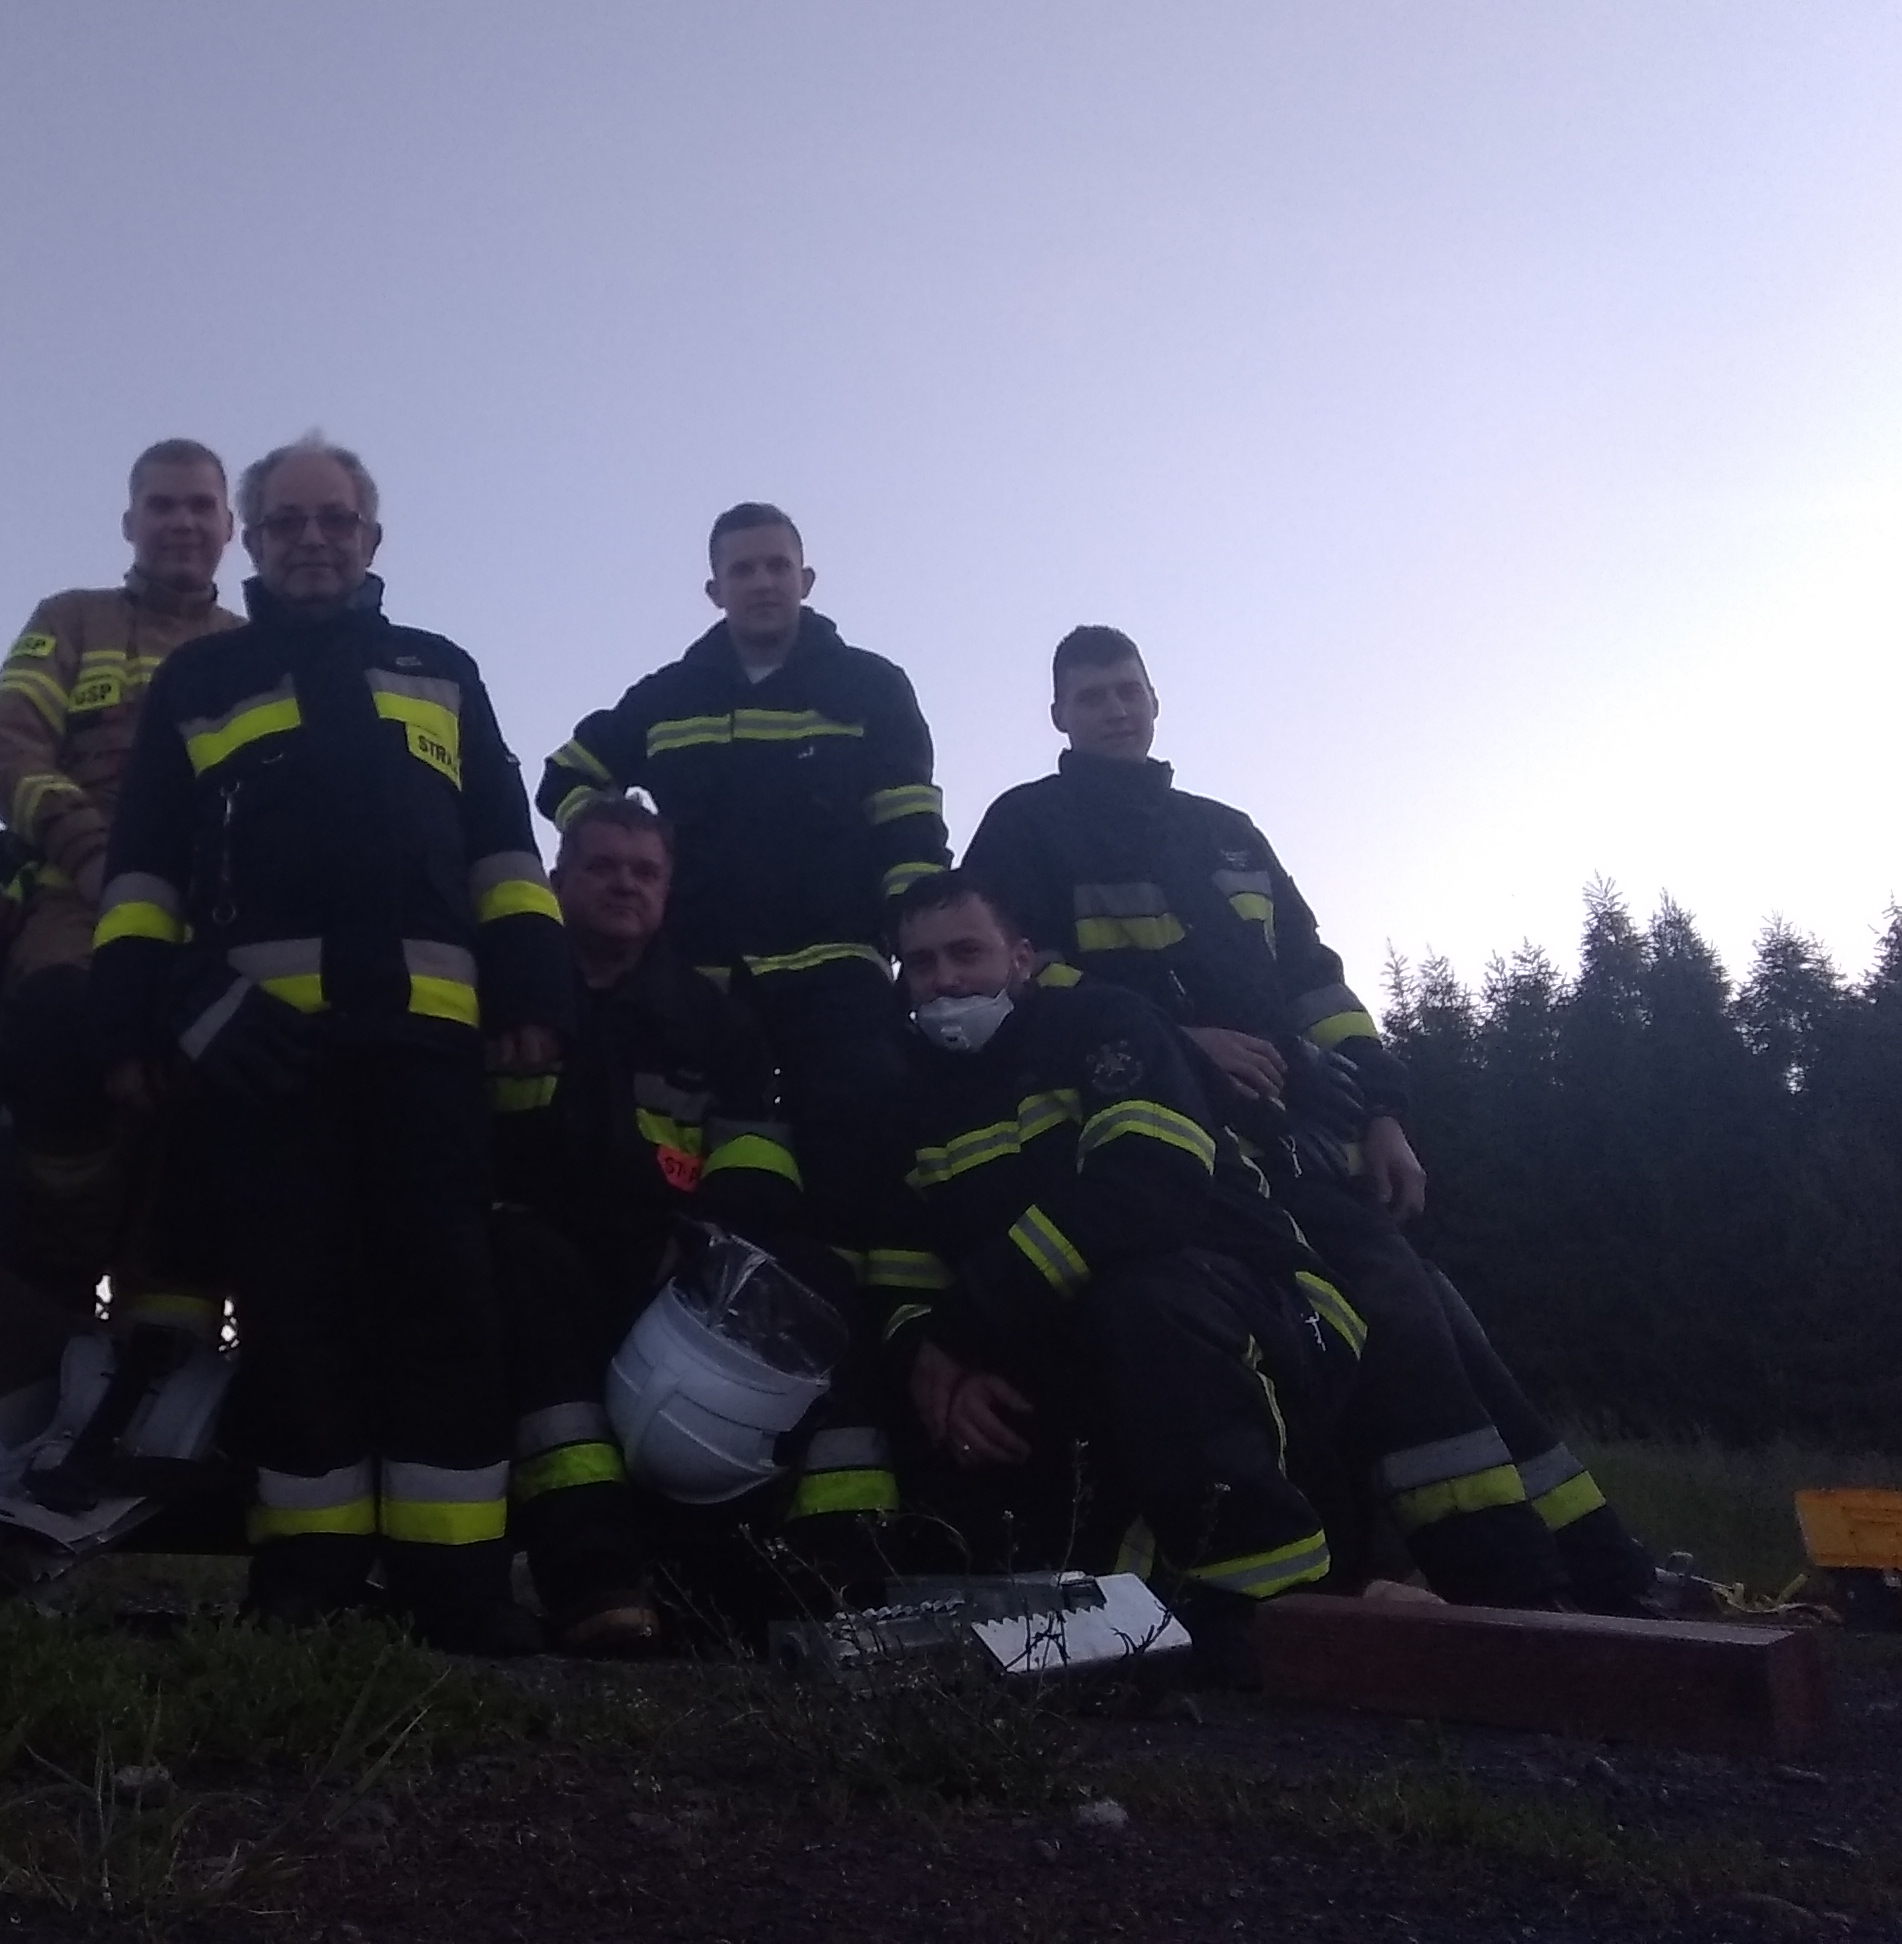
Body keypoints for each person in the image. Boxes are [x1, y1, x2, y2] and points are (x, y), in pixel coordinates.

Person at [960, 626, 1655, 1611]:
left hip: (1298, 1137)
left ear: (1155, 700)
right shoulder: (1028, 824)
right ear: (1058, 716)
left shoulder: (1229, 834)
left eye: (1127, 691)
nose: (1114, 710)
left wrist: (1385, 1114)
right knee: (1334, 1320)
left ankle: (1567, 1585)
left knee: (1413, 1313)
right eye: (1092, 696)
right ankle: (1496, 1593)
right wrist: (1174, 1039)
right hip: (1156, 1139)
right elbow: (1017, 971)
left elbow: (1315, 984)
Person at [90, 434, 570, 1651]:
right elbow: (143, 874)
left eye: (335, 520)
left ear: (371, 538)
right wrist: (146, 1016)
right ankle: (307, 1574)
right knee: (293, 1308)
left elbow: (504, 850)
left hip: (429, 1049)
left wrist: (532, 990)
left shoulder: (442, 669)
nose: (313, 540)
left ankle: (456, 1582)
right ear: (252, 543)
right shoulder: (199, 681)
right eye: (288, 523)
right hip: (266, 1061)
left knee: (444, 1301)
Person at [865, 872, 1357, 1670]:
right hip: (1056, 1331)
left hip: (1258, 1308)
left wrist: (960, 1330)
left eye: (966, 953)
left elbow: (1145, 1187)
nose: (945, 979)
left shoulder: (1103, 1023)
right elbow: (899, 1267)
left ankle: (1271, 1607)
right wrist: (937, 1371)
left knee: (1141, 1304)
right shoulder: (911, 1100)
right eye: (921, 963)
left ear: (1021, 958)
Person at [487, 794, 895, 1652]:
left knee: (822, 1279)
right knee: (524, 1268)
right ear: (557, 880)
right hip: (533, 1251)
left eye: (645, 872)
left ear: (669, 889)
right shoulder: (504, 995)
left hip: (672, 1263)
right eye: (603, 867)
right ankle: (594, 1581)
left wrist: (702, 1250)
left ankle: (841, 1576)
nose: (625, 885)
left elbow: (757, 1161)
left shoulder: (713, 1021)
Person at [536, 504, 947, 1138]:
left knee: (859, 1144)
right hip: (698, 979)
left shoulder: (872, 687)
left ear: (805, 580)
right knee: (687, 1151)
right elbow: (565, 776)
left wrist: (923, 948)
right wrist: (619, 838)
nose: (762, 583)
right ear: (715, 590)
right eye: (743, 570)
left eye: (777, 566)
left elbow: (909, 828)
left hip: (839, 982)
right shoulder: (666, 696)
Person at [0, 439, 244, 1308]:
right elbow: (3, 741)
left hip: (220, 918)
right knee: (58, 1021)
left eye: (200, 506)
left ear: (230, 526)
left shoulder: (257, 646)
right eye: (162, 505)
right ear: (130, 523)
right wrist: (91, 852)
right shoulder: (71, 618)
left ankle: (167, 1335)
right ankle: (56, 1272)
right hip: (81, 897)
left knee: (215, 1091)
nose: (182, 522)